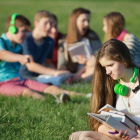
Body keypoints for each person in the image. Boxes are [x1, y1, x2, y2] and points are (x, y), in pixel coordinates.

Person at [69, 39, 140, 140]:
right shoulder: (111, 83)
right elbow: (98, 125)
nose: (107, 72)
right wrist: (113, 133)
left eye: (110, 65)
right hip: (122, 136)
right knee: (77, 136)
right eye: (104, 67)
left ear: (123, 60)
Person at [0, 13, 79, 102]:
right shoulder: (1, 41)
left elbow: (42, 62)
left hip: (21, 79)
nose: (26, 34)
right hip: (3, 83)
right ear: (12, 29)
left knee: (50, 88)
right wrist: (18, 57)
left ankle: (85, 95)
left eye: (27, 31)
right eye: (24, 31)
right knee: (28, 92)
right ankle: (54, 103)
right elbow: (2, 54)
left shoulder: (19, 45)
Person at [19, 10, 70, 83]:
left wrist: (59, 73)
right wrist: (54, 72)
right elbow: (31, 66)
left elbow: (47, 62)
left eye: (50, 23)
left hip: (40, 76)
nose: (49, 27)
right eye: (45, 23)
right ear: (36, 23)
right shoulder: (26, 39)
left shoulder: (49, 41)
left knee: (59, 81)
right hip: (24, 76)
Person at [58, 7, 102, 82]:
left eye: (88, 21)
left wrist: (86, 62)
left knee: (94, 69)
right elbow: (61, 63)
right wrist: (64, 74)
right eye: (83, 20)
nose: (87, 24)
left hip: (89, 68)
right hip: (71, 72)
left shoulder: (92, 36)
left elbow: (100, 55)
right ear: (74, 22)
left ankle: (80, 80)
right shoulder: (63, 40)